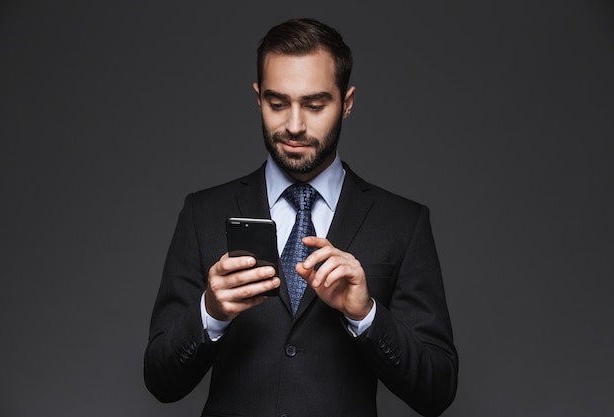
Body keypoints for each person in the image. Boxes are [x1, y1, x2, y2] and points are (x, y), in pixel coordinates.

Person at [144, 18, 458, 417]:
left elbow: (437, 390)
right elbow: (160, 381)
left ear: (347, 102)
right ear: (258, 98)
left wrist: (365, 314)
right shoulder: (202, 214)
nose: (294, 126)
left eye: (314, 105)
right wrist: (210, 312)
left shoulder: (402, 223)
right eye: (278, 104)